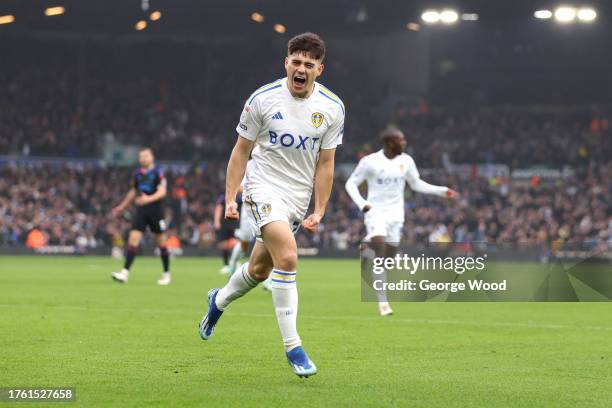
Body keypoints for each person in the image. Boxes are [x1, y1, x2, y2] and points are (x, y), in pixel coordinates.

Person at [199, 32, 344, 378]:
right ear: (286, 63)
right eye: (296, 62)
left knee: (260, 270)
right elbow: (241, 150)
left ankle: (217, 301)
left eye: (309, 64)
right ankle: (293, 346)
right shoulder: (262, 99)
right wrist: (232, 195)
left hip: (296, 196)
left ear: (319, 70)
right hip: (262, 186)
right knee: (289, 257)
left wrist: (320, 208)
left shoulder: (332, 108)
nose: (301, 69)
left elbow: (326, 164)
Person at [345, 129, 458, 316]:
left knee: (389, 257)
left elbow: (416, 184)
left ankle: (367, 248)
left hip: (396, 215)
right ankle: (383, 304)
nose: (404, 143)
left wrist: (442, 190)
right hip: (375, 211)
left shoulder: (406, 161)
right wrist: (362, 203)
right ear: (390, 143)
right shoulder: (370, 162)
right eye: (401, 140)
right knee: (380, 249)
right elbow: (351, 183)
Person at [111, 148, 171, 285]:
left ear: (152, 157)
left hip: (156, 210)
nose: (143, 158)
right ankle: (125, 273)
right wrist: (122, 207)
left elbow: (162, 192)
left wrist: (147, 199)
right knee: (133, 239)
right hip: (141, 211)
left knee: (161, 242)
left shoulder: (158, 172)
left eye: (146, 155)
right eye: (141, 156)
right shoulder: (137, 174)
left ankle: (166, 274)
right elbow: (133, 192)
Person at [213, 191, 240, 274]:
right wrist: (216, 221)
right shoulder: (224, 196)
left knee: (236, 243)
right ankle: (226, 265)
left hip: (236, 222)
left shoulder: (241, 197)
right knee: (223, 244)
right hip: (224, 222)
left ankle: (235, 262)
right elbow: (219, 208)